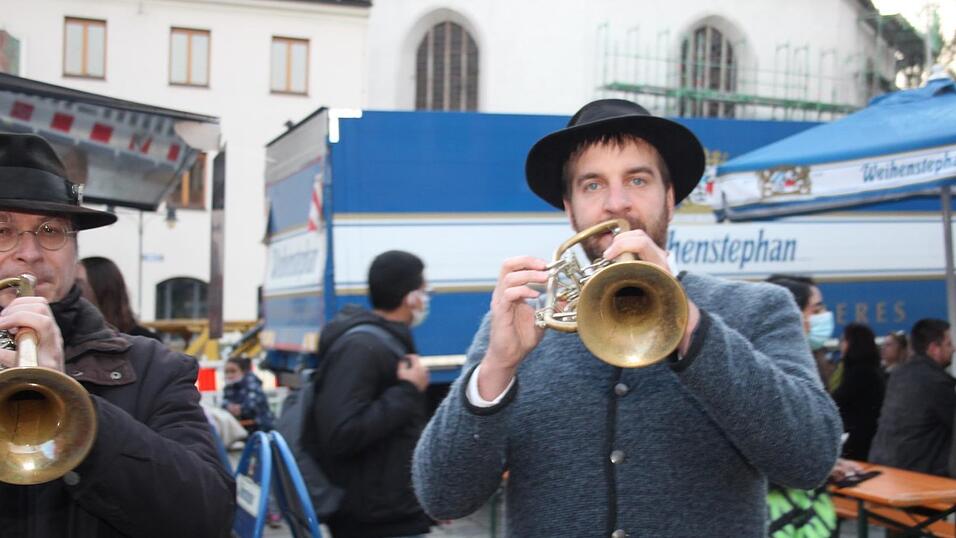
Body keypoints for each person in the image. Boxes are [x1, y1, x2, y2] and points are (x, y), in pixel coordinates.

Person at [412, 99, 842, 536]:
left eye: (638, 179)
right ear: (570, 208)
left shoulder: (758, 309)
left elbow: (810, 459)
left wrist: (689, 324)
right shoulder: (521, 328)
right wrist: (497, 369)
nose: (617, 204)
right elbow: (444, 497)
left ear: (670, 197)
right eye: (592, 185)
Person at [0, 133, 234, 537]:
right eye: (2, 231)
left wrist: (78, 410)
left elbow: (208, 517)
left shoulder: (153, 367)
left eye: (51, 230)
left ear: (75, 250)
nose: (31, 253)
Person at [309, 250, 433, 538]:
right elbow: (342, 433)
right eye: (425, 292)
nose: (426, 300)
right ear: (410, 296)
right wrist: (407, 391)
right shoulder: (361, 347)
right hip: (372, 519)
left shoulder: (385, 340)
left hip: (393, 511)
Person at [869, 318, 956, 476]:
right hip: (918, 475)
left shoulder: (898, 375)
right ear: (933, 348)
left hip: (885, 467)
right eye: (948, 344)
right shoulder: (936, 382)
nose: (954, 349)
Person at [831, 323, 885, 461]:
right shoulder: (870, 369)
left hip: (859, 442)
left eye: (843, 340)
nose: (840, 345)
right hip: (866, 438)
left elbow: (838, 400)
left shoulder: (860, 373)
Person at [79, 256, 161, 340]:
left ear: (101, 288)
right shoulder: (72, 336)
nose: (72, 289)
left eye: (79, 283)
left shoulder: (145, 343)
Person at [222, 356, 275, 432]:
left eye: (233, 371)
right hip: (241, 429)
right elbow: (224, 404)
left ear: (243, 371)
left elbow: (252, 407)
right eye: (226, 372)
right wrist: (229, 407)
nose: (229, 375)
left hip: (260, 430)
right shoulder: (229, 387)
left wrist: (239, 409)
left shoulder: (252, 385)